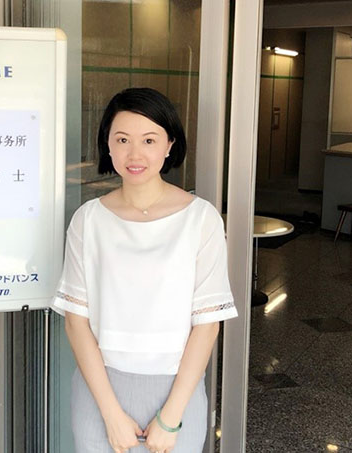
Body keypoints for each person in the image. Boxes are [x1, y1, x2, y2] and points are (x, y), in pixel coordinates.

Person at [51, 87, 238, 453]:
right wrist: (111, 415)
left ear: (169, 145)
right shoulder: (88, 220)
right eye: (122, 140)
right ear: (107, 144)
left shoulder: (201, 219)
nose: (134, 154)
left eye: (149, 140)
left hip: (177, 394)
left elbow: (207, 324)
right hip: (99, 392)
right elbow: (75, 321)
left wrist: (170, 418)